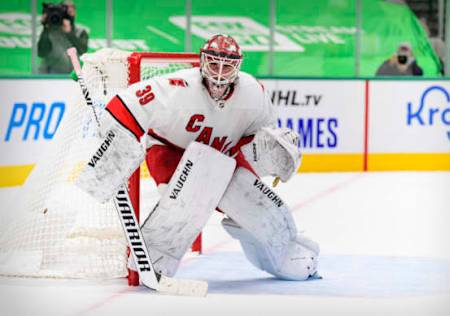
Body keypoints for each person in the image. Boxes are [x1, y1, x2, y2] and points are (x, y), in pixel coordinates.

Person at [76, 34, 320, 282]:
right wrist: (114, 143)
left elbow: (259, 137)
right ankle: (156, 256)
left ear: (238, 66)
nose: (220, 73)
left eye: (227, 66)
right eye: (214, 64)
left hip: (224, 159)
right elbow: (124, 105)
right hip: (171, 154)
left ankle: (285, 254)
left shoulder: (254, 92)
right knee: (192, 195)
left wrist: (272, 151)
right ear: (203, 62)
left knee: (260, 208)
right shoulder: (176, 87)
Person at [38, 1, 88, 74]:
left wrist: (69, 33)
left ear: (75, 12)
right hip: (49, 78)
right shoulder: (49, 31)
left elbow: (82, 51)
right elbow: (41, 53)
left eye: (72, 7)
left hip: (72, 78)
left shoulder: (80, 31)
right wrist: (46, 27)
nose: (69, 10)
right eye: (65, 8)